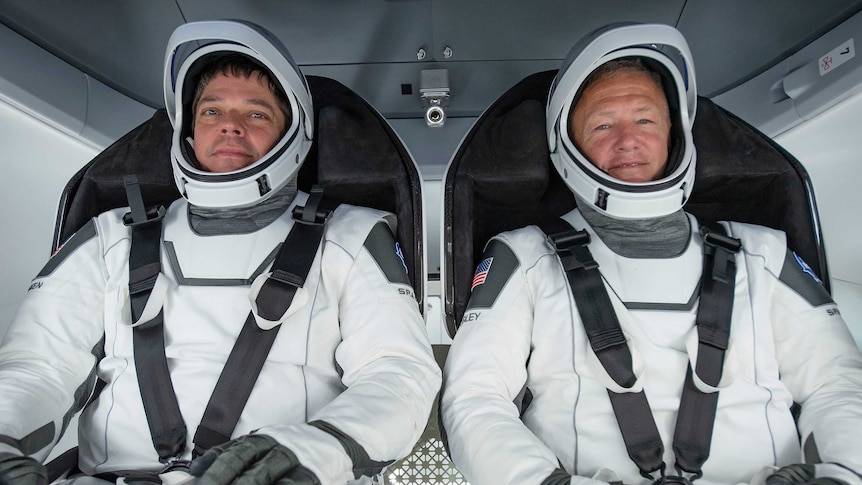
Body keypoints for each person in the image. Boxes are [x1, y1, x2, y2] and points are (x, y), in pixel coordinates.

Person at [0, 20, 440, 485]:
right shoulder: (110, 237)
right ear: (188, 131)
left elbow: (399, 373)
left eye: (256, 114)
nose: (229, 124)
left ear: (293, 136)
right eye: (211, 112)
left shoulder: (352, 236)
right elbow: (41, 366)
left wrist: (312, 451)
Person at [440, 23, 862, 485]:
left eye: (645, 119)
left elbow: (839, 385)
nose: (627, 140)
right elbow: (474, 399)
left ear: (674, 132)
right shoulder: (521, 257)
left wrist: (841, 474)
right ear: (569, 144)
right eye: (603, 124)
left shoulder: (765, 252)